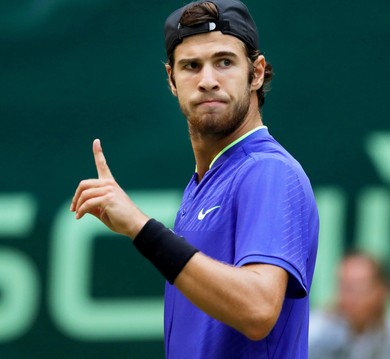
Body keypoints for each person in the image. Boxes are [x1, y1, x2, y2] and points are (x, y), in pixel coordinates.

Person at [70, 0, 319, 358]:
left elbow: (258, 309)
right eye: (191, 66)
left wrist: (142, 228)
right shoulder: (205, 182)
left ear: (257, 72)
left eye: (224, 62)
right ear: (171, 80)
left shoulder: (267, 170)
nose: (207, 80)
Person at [309, 251, 390, 359]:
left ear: (382, 290)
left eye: (358, 288)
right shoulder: (315, 331)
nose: (349, 297)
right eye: (345, 287)